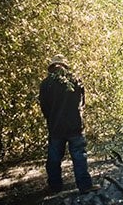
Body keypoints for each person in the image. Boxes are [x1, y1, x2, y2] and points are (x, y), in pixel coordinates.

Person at [39, 54, 100, 195]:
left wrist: (51, 118)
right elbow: (82, 103)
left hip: (56, 127)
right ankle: (85, 186)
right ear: (65, 66)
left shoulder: (45, 84)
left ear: (52, 67)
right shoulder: (76, 80)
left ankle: (55, 186)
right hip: (75, 126)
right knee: (79, 157)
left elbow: (44, 107)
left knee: (54, 159)